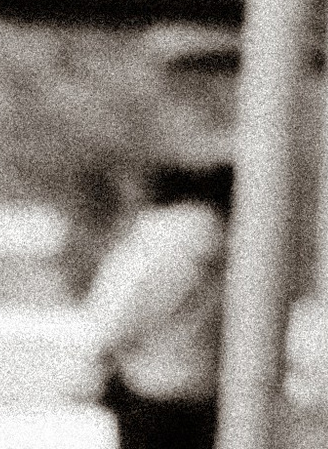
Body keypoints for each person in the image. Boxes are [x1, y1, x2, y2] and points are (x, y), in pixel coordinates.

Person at [79, 166, 230, 449]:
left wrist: (100, 358)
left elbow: (116, 319)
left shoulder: (152, 244)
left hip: (149, 388)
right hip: (207, 389)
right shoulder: (228, 241)